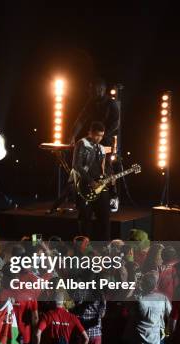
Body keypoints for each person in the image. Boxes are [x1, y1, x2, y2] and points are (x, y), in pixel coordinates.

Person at [71, 77, 121, 211]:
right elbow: (81, 119)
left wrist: (103, 135)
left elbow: (116, 123)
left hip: (106, 139)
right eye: (91, 89)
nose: (92, 92)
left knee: (107, 167)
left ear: (102, 90)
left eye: (95, 89)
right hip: (93, 139)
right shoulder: (91, 103)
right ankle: (89, 193)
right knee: (90, 165)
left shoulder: (111, 103)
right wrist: (72, 135)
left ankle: (113, 197)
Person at [72, 121, 111, 240]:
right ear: (90, 133)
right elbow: (76, 165)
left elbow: (104, 167)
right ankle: (84, 247)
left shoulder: (101, 148)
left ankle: (104, 246)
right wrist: (90, 181)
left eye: (101, 135)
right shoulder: (82, 144)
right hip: (84, 185)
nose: (99, 138)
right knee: (85, 218)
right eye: (97, 135)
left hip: (100, 186)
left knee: (104, 217)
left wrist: (110, 176)